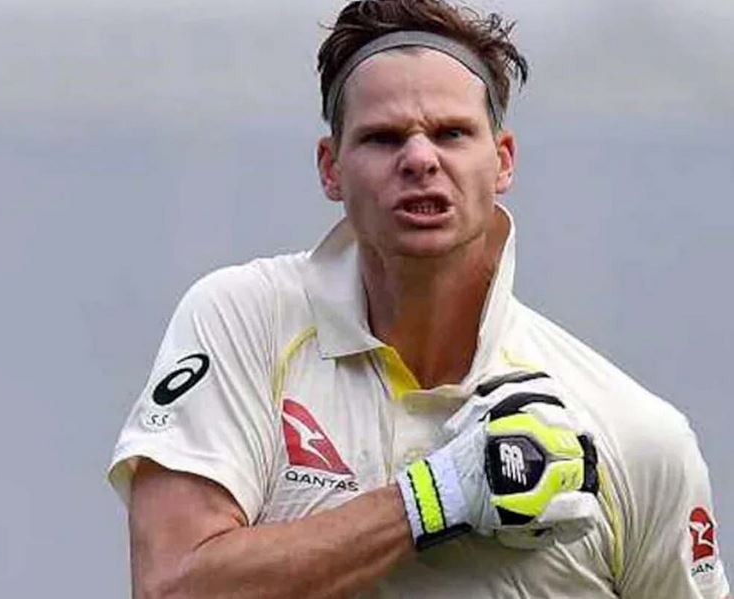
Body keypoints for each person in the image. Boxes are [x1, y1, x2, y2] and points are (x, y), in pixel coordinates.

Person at [108, 1, 730, 597]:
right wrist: (435, 496)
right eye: (383, 138)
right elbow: (170, 586)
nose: (419, 159)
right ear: (330, 168)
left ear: (503, 161)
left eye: (452, 133)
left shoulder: (637, 436)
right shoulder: (246, 321)